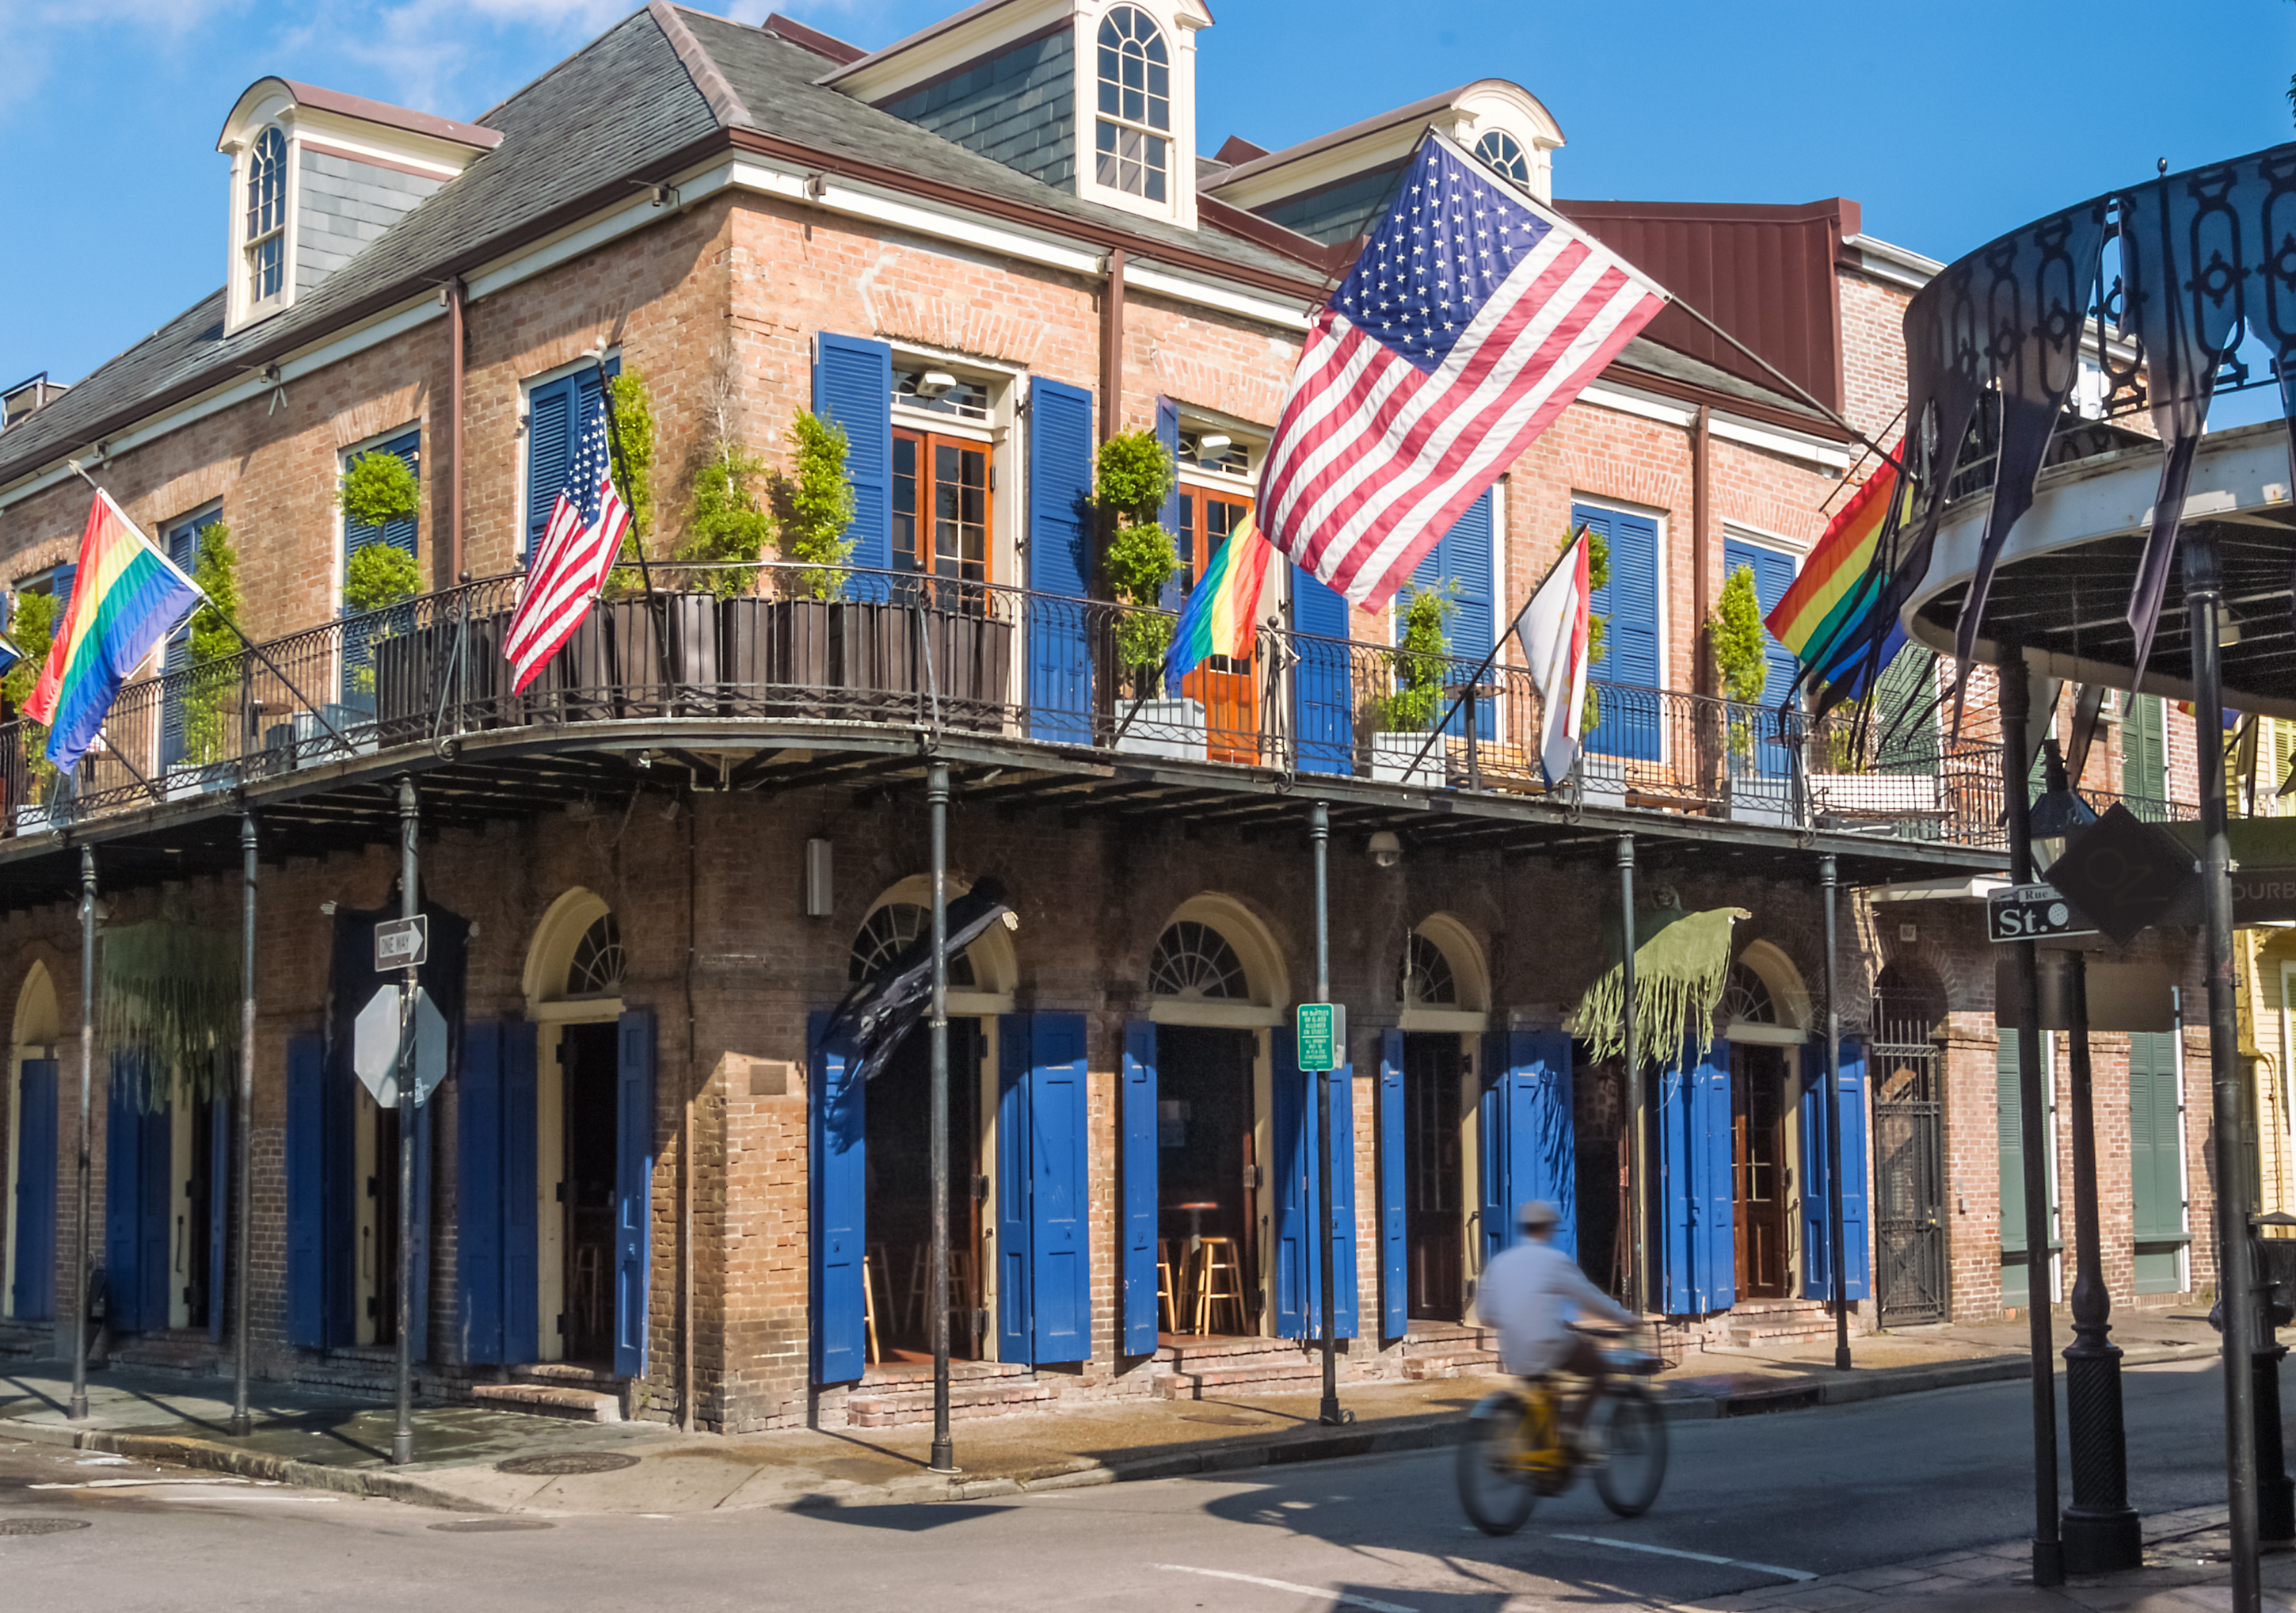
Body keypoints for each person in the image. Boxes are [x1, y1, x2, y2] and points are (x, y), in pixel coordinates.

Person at [1475, 1200, 1636, 1451]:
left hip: (1514, 1352)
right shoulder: (1553, 1260)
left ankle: (1546, 1459)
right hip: (1547, 1345)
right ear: (1548, 1229)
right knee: (1600, 1371)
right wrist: (1626, 1319)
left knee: (1544, 1397)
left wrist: (1521, 1319)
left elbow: (1486, 1314)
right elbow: (1590, 1298)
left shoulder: (1500, 1263)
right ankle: (1574, 1430)